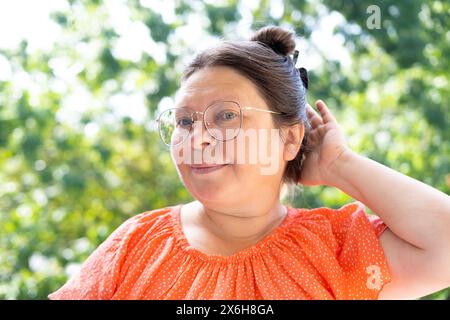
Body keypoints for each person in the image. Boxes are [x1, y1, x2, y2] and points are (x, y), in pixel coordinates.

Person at [48, 26, 450, 300]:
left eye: (226, 116)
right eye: (185, 121)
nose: (197, 137)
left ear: (289, 137)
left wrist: (339, 164)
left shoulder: (337, 249)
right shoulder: (136, 243)